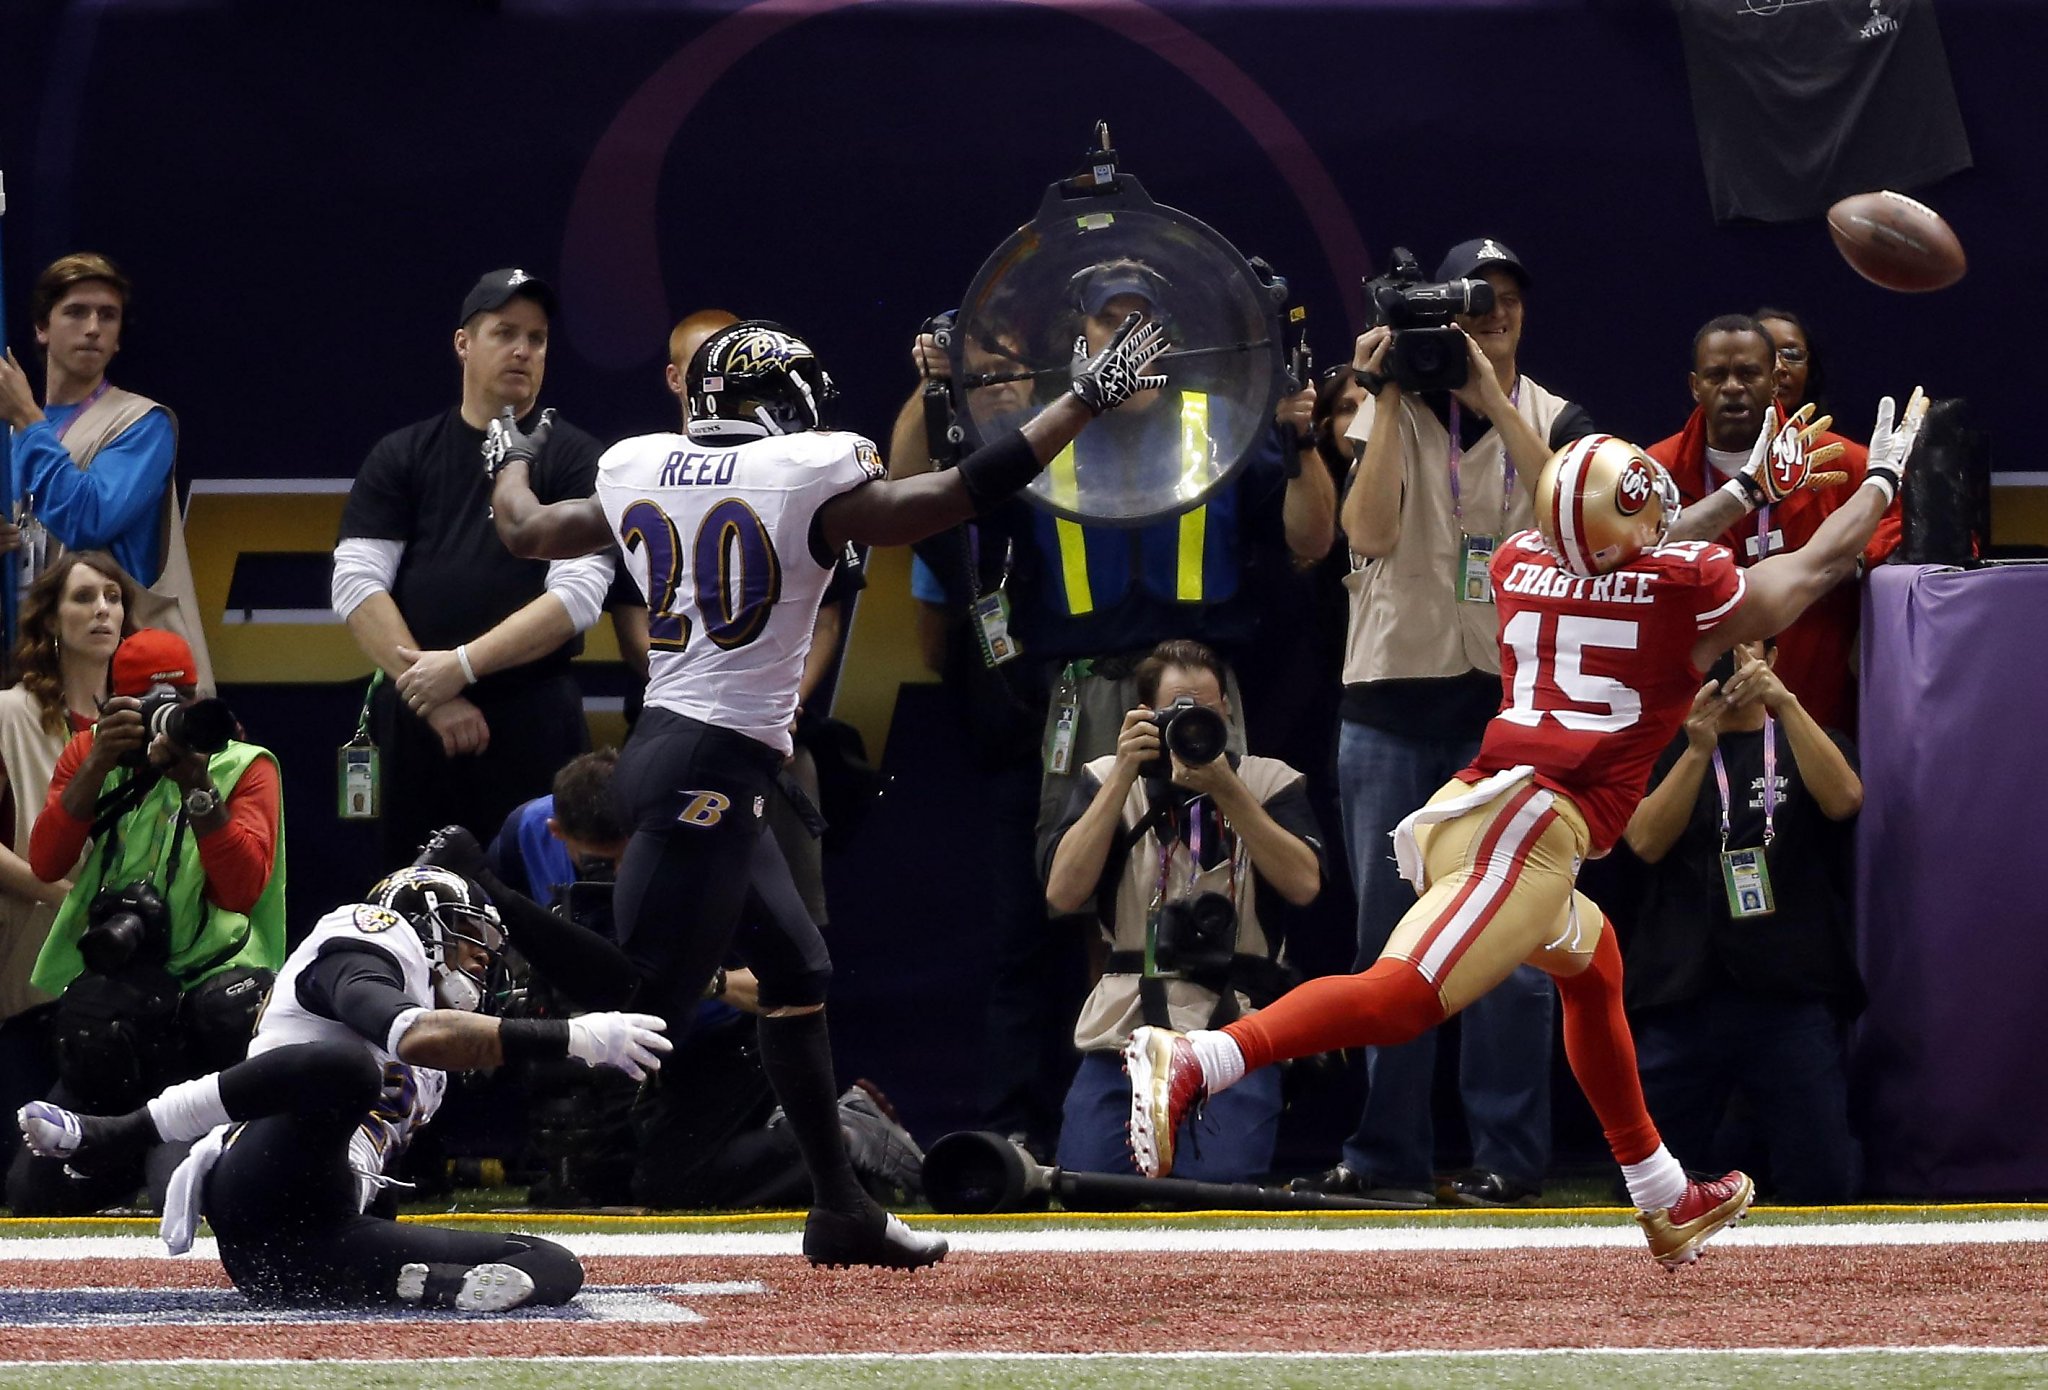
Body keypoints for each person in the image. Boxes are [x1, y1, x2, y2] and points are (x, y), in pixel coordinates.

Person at [1125, 390, 1925, 1268]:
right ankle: (1202, 1058)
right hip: (1532, 828)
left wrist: (1740, 497)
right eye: (1649, 498)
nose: (1664, 509)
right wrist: (1880, 479)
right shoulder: (1679, 591)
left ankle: (1662, 1194)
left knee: (1593, 966)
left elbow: (1621, 547)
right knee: (1401, 998)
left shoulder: (1519, 560)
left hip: (1493, 805)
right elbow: (1811, 569)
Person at [484, 313, 1168, 1267]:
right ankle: (480, 900)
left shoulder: (643, 465)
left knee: (797, 977)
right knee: (642, 1004)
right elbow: (960, 491)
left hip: (701, 754)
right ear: (774, 399)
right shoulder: (803, 477)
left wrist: (508, 456)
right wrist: (1083, 400)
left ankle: (838, 1207)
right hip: (707, 768)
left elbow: (523, 531)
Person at [889, 267, 1335, 1158]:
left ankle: (1204, 1085)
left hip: (1201, 688)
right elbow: (910, 493)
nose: (1127, 336)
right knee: (1066, 896)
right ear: (1079, 338)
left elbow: (1311, 543)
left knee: (1213, 886)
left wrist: (1310, 441)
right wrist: (933, 385)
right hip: (1082, 687)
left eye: (1144, 319)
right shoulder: (1039, 431)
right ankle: (1062, 1109)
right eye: (1109, 320)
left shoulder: (1225, 421)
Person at [17, 864, 670, 1311]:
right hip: (259, 1182)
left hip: (310, 1245)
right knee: (348, 1072)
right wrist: (574, 1038)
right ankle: (114, 1134)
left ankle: (420, 1285)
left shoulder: (436, 1064)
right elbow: (407, 1032)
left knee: (552, 1265)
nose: (482, 963)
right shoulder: (367, 944)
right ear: (424, 924)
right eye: (472, 941)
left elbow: (375, 1147)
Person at [1313, 239, 1595, 1207]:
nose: (1489, 317)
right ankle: (1382, 1152)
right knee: (1386, 941)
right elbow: (1368, 533)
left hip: (1510, 718)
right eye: (1473, 304)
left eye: (1503, 299)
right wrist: (1389, 389)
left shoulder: (1557, 419)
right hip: (1387, 706)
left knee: (1508, 947)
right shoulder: (1376, 408)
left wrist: (1487, 397)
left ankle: (1506, 1158)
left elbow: (1574, 520)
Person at [331, 268, 617, 869]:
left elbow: (579, 597)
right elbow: (356, 583)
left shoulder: (578, 459)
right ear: (463, 342)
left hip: (532, 717)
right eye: (504, 332)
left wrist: (460, 667)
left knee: (541, 909)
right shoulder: (403, 454)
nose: (523, 350)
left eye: (536, 339)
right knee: (412, 904)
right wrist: (433, 696)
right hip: (418, 721)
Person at [9, 628, 285, 1214]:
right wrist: (102, 759)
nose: (165, 719)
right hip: (124, 997)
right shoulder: (92, 754)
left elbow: (241, 889)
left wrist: (198, 785)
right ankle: (122, 1161)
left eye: (179, 702)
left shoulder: (244, 765)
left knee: (178, 1191)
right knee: (32, 1194)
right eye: (145, 706)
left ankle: (177, 1150)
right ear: (113, 707)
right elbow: (46, 860)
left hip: (207, 992)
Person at [1042, 640, 1321, 1185]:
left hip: (1235, 1024)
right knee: (1090, 1189)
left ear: (1229, 712)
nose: (1194, 723)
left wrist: (1227, 788)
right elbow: (1061, 893)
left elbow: (1304, 885)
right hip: (1126, 1024)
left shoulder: (1271, 781)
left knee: (1214, 1193)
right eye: (1179, 710)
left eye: (1208, 710)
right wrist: (1125, 772)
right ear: (1146, 715)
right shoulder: (1105, 780)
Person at [1620, 638, 1865, 1202]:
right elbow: (1646, 842)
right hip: (1684, 993)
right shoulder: (1664, 749)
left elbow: (1845, 799)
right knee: (1645, 1189)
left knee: (1823, 1181)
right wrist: (1697, 748)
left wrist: (1789, 705)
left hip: (1788, 993)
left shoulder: (1808, 739)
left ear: (1772, 656)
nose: (1731, 662)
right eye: (1715, 650)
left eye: (1745, 646)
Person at [1647, 314, 1897, 733]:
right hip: (1690, 723)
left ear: (1774, 379)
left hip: (1816, 716)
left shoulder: (1833, 460)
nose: (1732, 387)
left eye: (1747, 373)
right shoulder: (1658, 473)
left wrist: (1858, 559)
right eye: (1716, 375)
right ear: (1695, 386)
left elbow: (1911, 524)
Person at [0, 254, 208, 682]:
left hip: (129, 678)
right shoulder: (13, 437)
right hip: (35, 669)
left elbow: (87, 519)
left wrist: (27, 420)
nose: (93, 328)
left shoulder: (143, 423)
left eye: (107, 316)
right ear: (42, 328)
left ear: (117, 340)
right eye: (76, 312)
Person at [0, 553, 137, 1137]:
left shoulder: (148, 722)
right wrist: (64, 897)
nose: (103, 608)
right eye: (84, 598)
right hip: (27, 960)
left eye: (113, 596)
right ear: (51, 621)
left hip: (127, 973)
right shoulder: (9, 714)